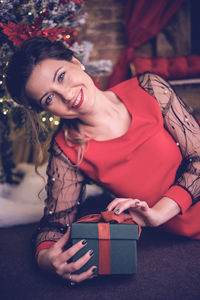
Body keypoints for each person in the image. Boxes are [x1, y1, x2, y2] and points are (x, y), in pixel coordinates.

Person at [5, 37, 200, 284]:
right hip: (182, 234)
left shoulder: (149, 88)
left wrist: (159, 213)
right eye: (48, 99)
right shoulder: (67, 149)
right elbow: (55, 223)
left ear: (75, 61)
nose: (65, 95)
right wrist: (46, 259)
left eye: (61, 76)